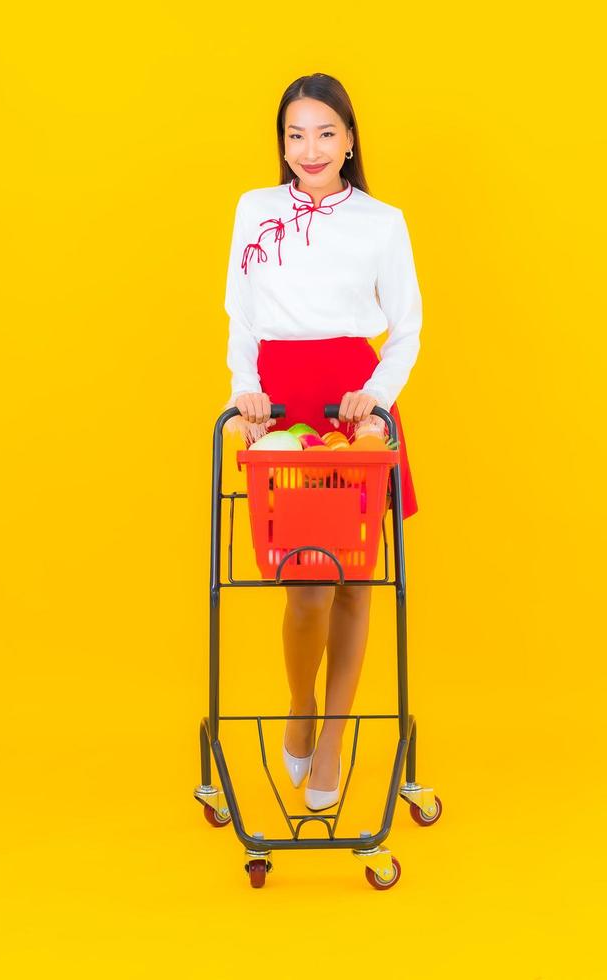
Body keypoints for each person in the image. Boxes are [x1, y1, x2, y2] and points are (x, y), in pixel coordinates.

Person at [222, 73, 422, 811]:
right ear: (282, 143)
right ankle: (300, 703)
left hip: (351, 394)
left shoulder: (382, 221)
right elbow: (240, 314)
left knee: (354, 576)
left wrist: (378, 399)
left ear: (350, 139)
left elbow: (405, 329)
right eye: (295, 134)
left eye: (325, 133)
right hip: (276, 392)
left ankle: (334, 733)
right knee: (305, 580)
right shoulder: (254, 210)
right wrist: (246, 385)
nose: (309, 149)